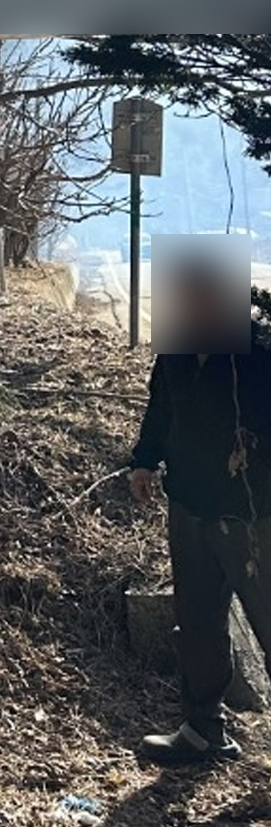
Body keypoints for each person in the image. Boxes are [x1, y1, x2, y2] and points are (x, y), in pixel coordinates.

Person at [128, 259, 271, 765]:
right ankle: (203, 728)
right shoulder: (178, 347)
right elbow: (160, 405)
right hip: (189, 503)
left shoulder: (260, 353)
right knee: (199, 620)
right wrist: (143, 461)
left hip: (254, 514)